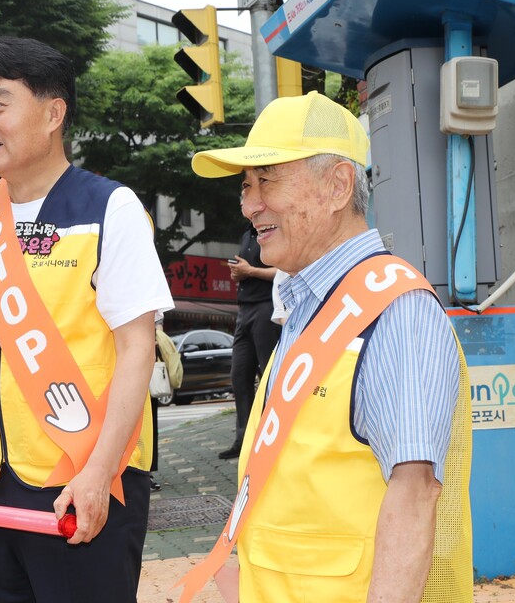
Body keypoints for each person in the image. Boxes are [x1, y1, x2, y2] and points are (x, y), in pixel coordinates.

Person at [0, 37, 173, 603]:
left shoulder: (108, 208)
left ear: (53, 113)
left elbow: (137, 348)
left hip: (84, 477)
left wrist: (98, 473)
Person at [181, 91, 472, 602]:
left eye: (267, 179)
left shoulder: (394, 310)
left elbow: (414, 493)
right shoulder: (307, 304)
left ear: (339, 185)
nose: (250, 205)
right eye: (246, 186)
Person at [219, 224, 281, 459]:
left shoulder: (274, 229)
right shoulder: (246, 234)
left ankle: (273, 438)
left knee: (269, 375)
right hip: (243, 308)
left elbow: (283, 271)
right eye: (243, 195)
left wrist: (251, 271)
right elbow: (245, 271)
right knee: (239, 377)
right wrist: (238, 273)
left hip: (267, 306)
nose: (245, 202)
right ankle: (243, 439)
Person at [150, 321, 183, 491]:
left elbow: (158, 321)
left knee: (148, 420)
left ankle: (146, 471)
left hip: (145, 347)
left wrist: (155, 336)